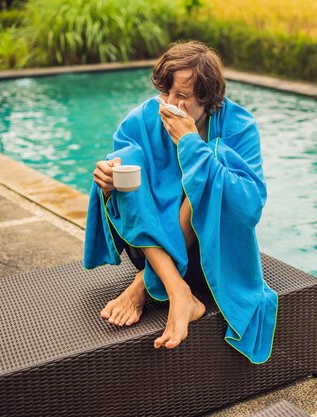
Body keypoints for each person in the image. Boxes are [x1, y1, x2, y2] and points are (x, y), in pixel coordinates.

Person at [83, 40, 278, 364]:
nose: (170, 104)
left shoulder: (239, 126)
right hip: (146, 249)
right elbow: (121, 198)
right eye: (167, 93)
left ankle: (142, 288)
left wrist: (191, 144)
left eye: (183, 98)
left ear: (210, 101)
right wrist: (106, 182)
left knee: (211, 166)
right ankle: (178, 291)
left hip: (210, 252)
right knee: (126, 158)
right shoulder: (143, 118)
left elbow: (250, 206)